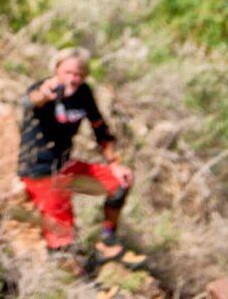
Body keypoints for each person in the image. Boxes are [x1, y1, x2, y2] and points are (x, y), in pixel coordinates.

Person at [18, 48, 144, 278]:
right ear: (56, 70)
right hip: (41, 171)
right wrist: (44, 93)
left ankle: (107, 240)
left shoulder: (83, 93)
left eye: (78, 74)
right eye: (67, 72)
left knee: (119, 183)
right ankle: (82, 285)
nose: (72, 78)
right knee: (63, 239)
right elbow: (29, 101)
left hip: (66, 166)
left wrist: (115, 162)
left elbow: (101, 129)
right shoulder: (44, 89)